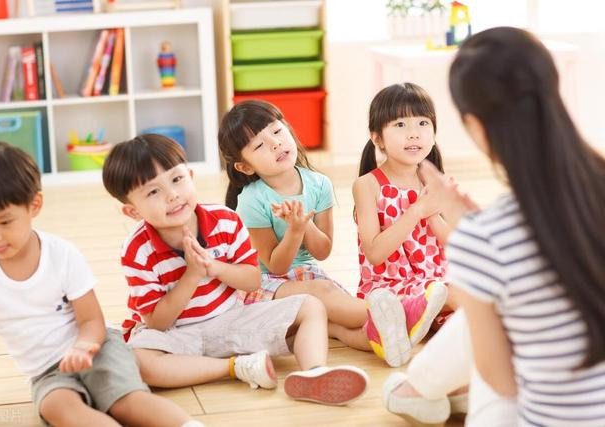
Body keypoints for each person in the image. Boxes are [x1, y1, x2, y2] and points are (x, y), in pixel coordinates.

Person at [385, 27, 605, 426]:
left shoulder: (486, 237)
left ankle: (413, 391)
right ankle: (418, 391)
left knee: (490, 315)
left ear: (476, 126)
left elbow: (502, 381)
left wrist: (475, 238)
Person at [101, 134, 369, 405]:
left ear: (190, 176)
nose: (172, 195)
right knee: (140, 361)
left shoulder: (225, 221)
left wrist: (214, 268)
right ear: (133, 212)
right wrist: (191, 276)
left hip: (233, 320)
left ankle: (314, 373)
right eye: (153, 192)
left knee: (311, 306)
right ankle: (237, 367)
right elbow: (157, 322)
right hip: (177, 334)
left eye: (177, 179)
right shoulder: (137, 249)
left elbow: (252, 281)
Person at [0, 142, 200, 427]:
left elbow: (91, 320)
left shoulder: (61, 254)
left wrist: (84, 346)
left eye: (4, 222)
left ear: (34, 206)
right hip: (46, 372)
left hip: (98, 348)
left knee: (125, 401)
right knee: (61, 410)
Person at [218, 100, 415, 367]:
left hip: (306, 274)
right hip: (264, 286)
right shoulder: (252, 201)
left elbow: (322, 251)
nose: (275, 143)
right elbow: (275, 267)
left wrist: (305, 225)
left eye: (276, 131)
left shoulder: (319, 184)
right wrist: (295, 230)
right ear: (245, 167)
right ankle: (406, 312)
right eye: (259, 145)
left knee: (335, 321)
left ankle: (390, 341)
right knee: (323, 292)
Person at [352, 83, 452, 348]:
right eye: (400, 125)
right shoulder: (368, 185)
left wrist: (433, 214)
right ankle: (410, 316)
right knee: (462, 297)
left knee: (478, 305)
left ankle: (425, 321)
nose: (414, 134)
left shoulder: (434, 180)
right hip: (390, 288)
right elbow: (375, 253)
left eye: (422, 123)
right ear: (377, 139)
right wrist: (417, 210)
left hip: (437, 281)